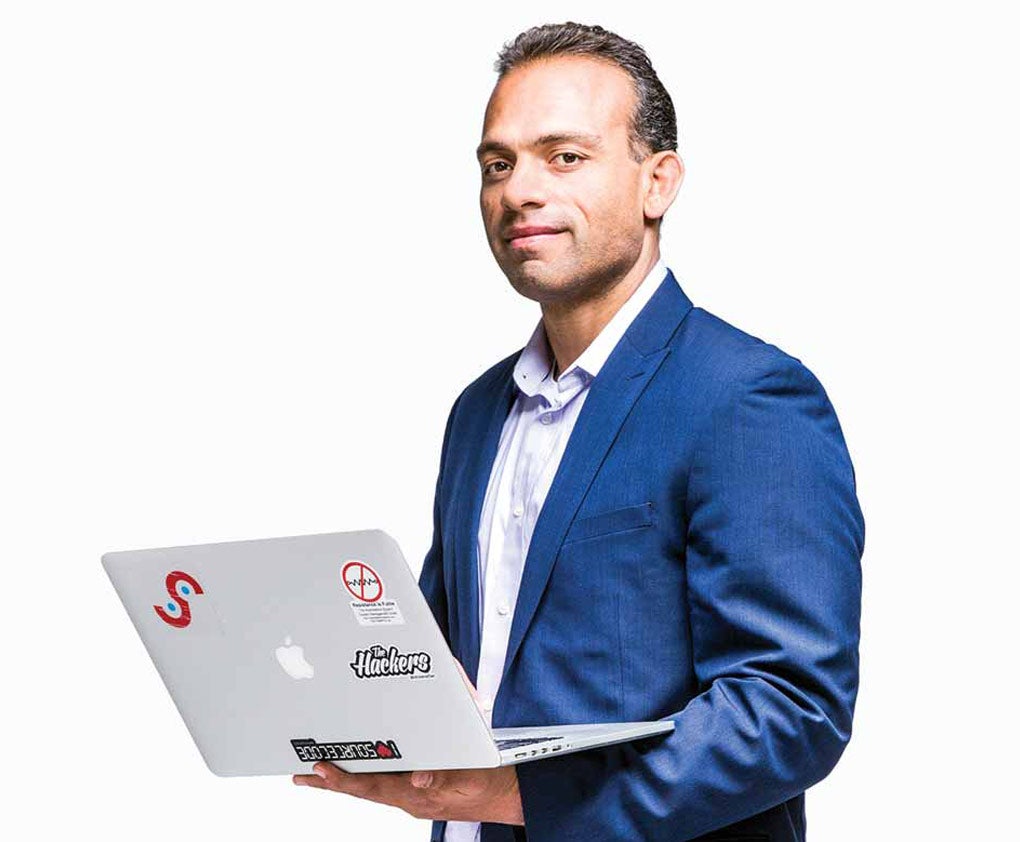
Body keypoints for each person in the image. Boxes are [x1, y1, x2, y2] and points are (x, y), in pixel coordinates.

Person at [292, 22, 864, 842]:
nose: (519, 191)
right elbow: (451, 668)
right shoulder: (478, 412)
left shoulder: (747, 398)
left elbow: (791, 710)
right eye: (498, 164)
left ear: (658, 182)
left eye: (564, 156)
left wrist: (521, 795)